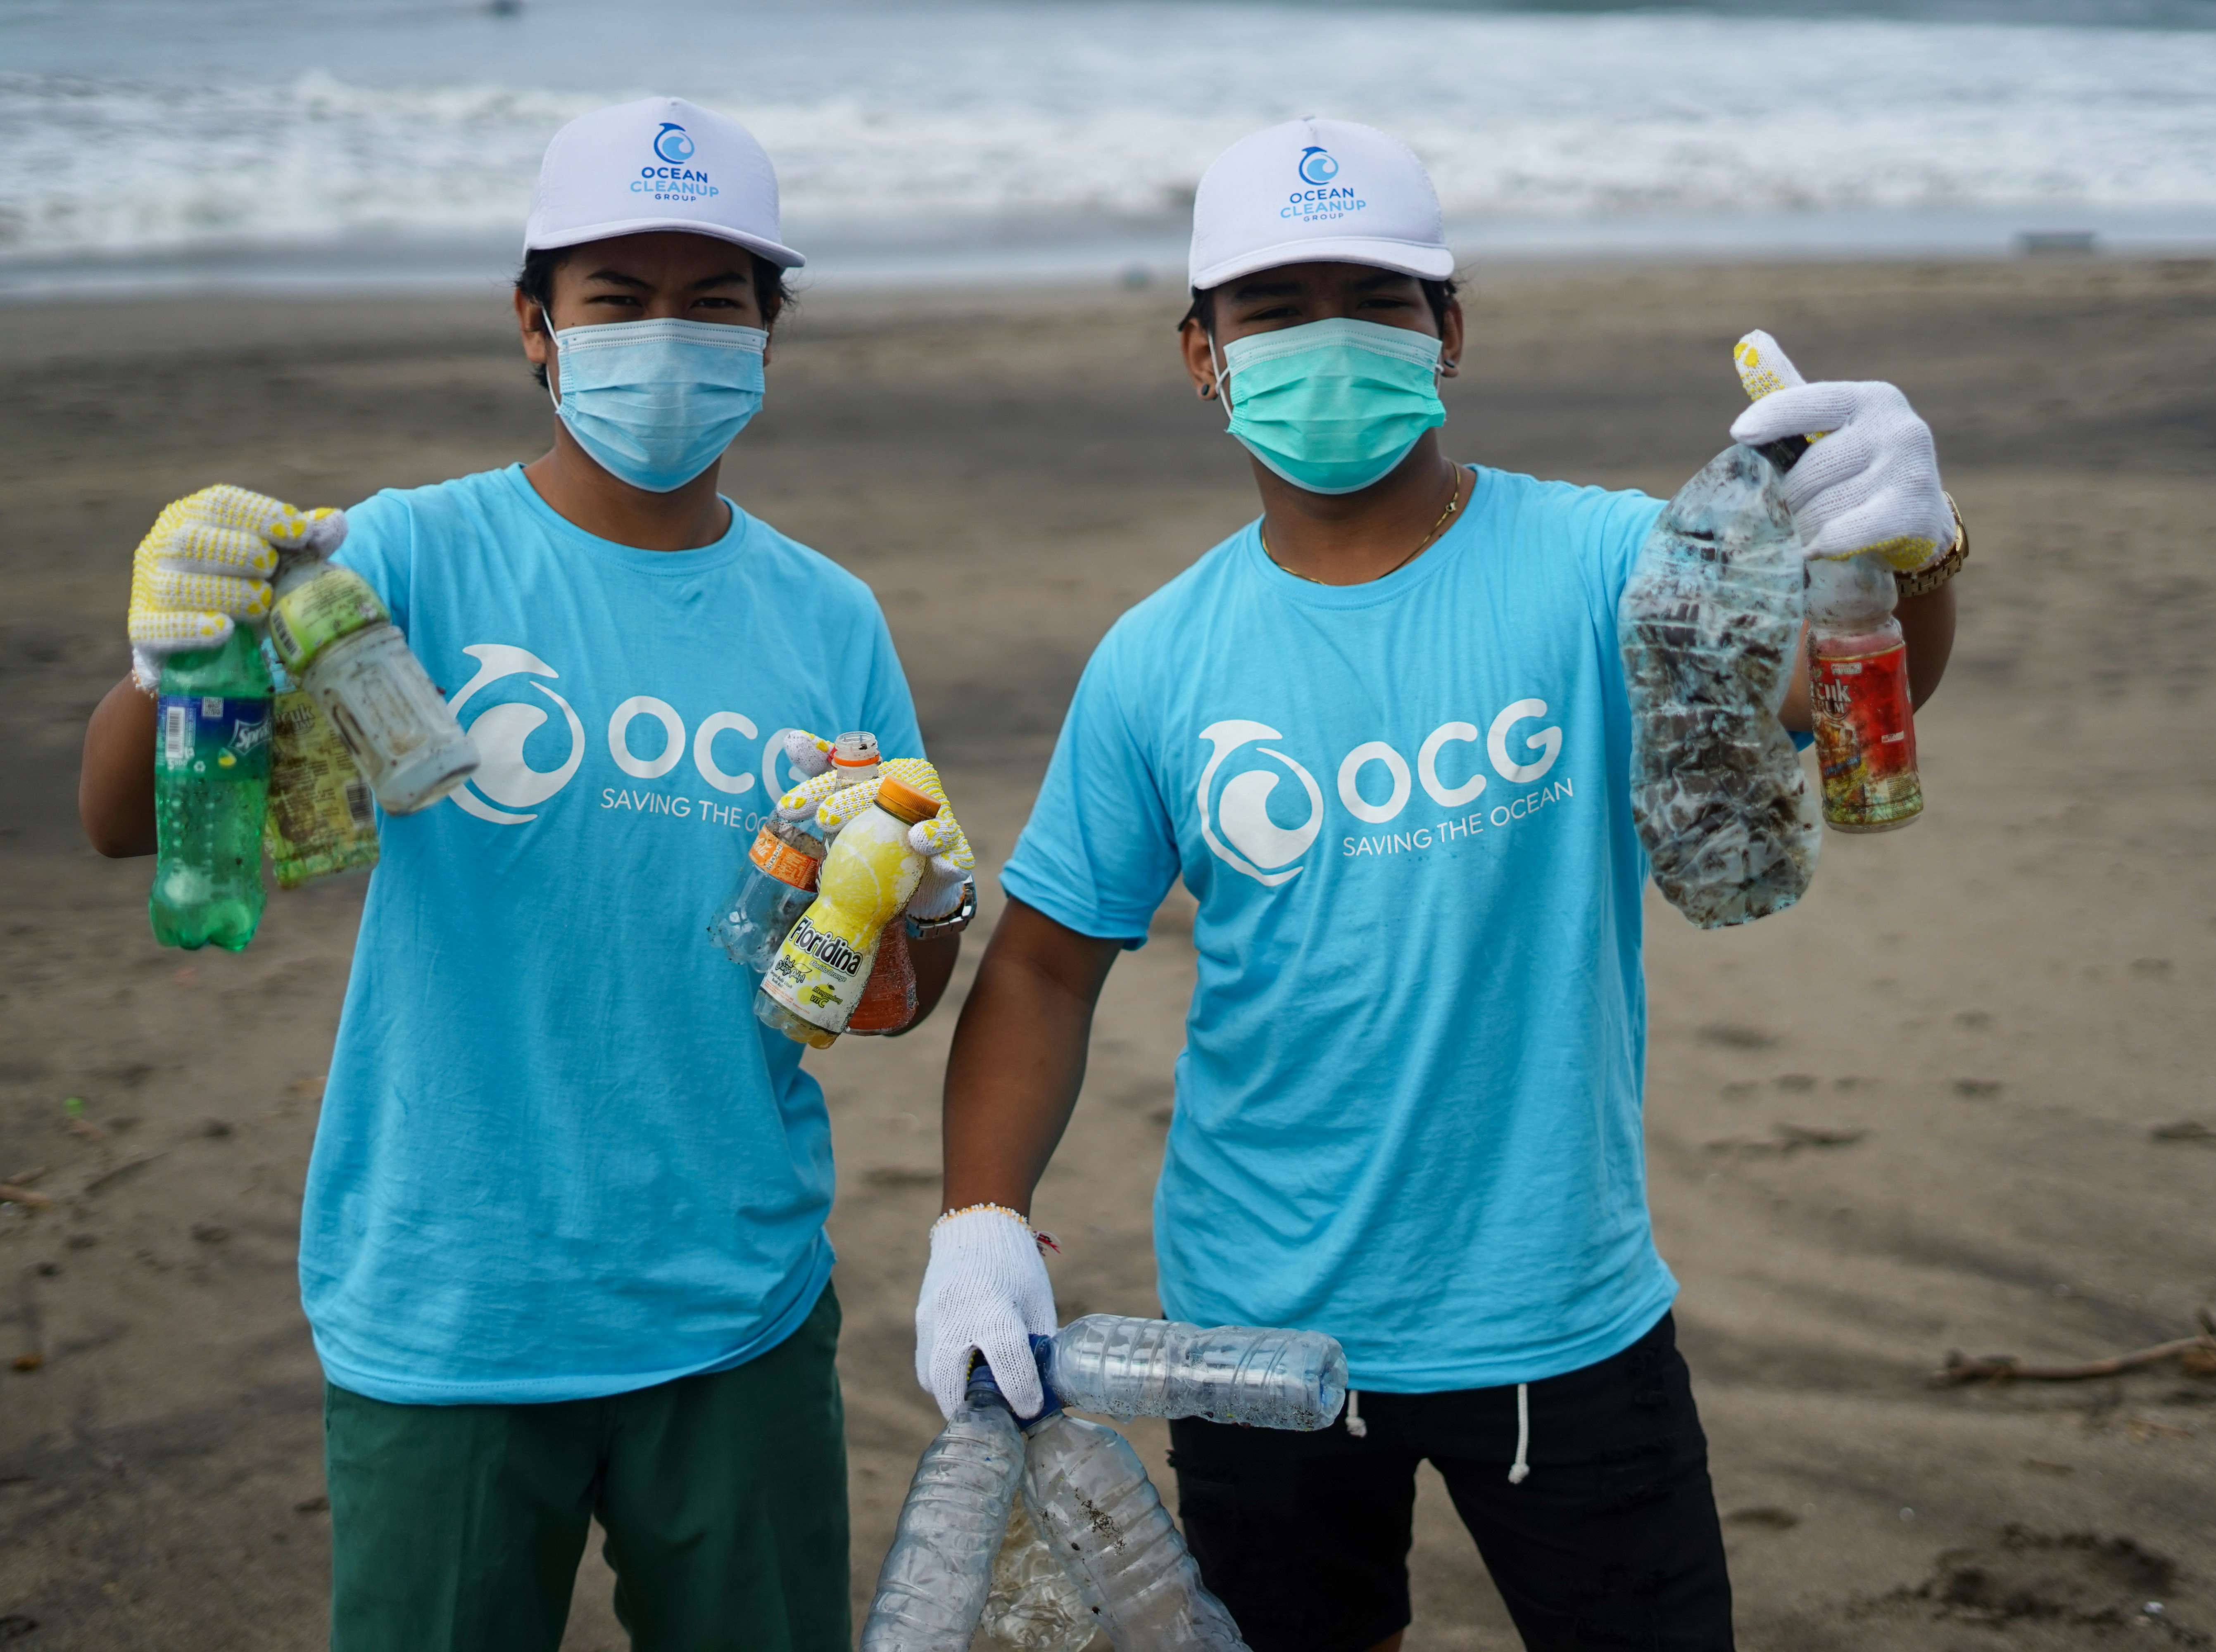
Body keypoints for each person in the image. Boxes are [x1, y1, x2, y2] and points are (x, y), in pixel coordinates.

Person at [914, 118, 1966, 1652]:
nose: (1324, 339)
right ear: (1202, 354)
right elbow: (1045, 965)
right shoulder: (1160, 656)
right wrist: (978, 1220)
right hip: (1256, 1332)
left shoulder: (1614, 564)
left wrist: (1909, 555)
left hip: (1564, 1310)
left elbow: (1839, 701)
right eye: (1274, 310)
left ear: (1449, 330)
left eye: (1375, 298)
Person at [77, 98, 977, 1652]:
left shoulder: (829, 617)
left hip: (737, 1300)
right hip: (452, 1301)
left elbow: (884, 1001)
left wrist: (925, 898)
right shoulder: (411, 554)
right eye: (618, 299)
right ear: (535, 323)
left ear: (771, 331)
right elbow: (122, 819)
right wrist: (180, 653)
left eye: (715, 300)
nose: (668, 337)